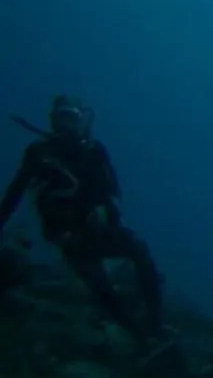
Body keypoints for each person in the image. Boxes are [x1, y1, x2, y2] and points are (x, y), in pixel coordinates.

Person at [0, 96, 167, 349]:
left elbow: (112, 192)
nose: (67, 126)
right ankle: (140, 337)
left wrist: (110, 217)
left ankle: (156, 325)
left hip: (97, 229)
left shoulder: (94, 150)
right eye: (62, 119)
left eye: (72, 119)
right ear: (54, 121)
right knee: (99, 285)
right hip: (66, 234)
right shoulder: (39, 154)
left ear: (82, 121)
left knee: (138, 250)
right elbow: (15, 193)